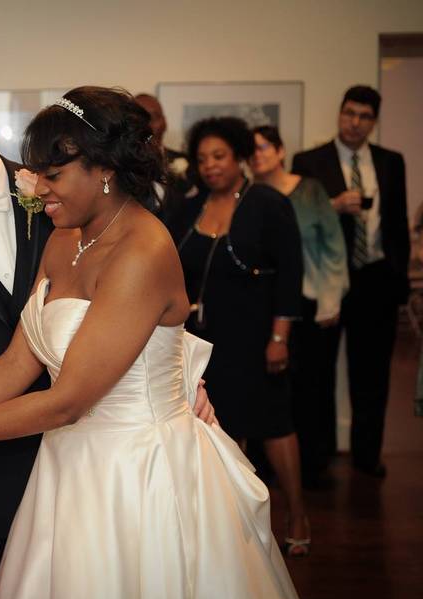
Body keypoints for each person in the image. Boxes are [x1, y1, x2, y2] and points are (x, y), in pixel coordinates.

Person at [0, 87, 308, 599]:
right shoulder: (66, 239)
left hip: (136, 475)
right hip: (68, 469)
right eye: (37, 174)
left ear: (104, 171)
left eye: (53, 175)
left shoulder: (142, 250)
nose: (38, 188)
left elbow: (67, 400)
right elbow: (15, 363)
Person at [166, 116, 310, 555]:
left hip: (257, 334)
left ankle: (297, 512)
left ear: (241, 158)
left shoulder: (266, 203)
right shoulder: (189, 209)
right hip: (204, 339)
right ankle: (239, 522)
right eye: (202, 158)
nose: (210, 166)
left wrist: (280, 337)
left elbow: (291, 273)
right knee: (219, 429)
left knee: (273, 423)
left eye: (219, 156)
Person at [292, 85, 409, 478]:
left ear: (373, 122)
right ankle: (318, 459)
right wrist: (334, 205)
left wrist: (400, 282)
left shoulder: (392, 162)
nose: (355, 123)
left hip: (377, 278)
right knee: (317, 372)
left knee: (372, 373)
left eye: (364, 117)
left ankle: (366, 455)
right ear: (339, 114)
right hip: (327, 279)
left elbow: (398, 226)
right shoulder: (309, 161)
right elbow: (301, 221)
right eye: (349, 114)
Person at [250, 125, 349, 488]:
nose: (257, 154)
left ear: (280, 150)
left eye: (264, 147)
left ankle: (313, 464)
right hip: (267, 307)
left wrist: (329, 301)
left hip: (311, 304)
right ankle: (268, 464)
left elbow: (334, 247)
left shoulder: (310, 190)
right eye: (252, 149)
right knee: (273, 385)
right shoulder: (248, 195)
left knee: (313, 385)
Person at [134, 93, 191, 219]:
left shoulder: (189, 163)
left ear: (164, 122)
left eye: (153, 117)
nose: (147, 125)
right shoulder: (119, 166)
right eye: (139, 119)